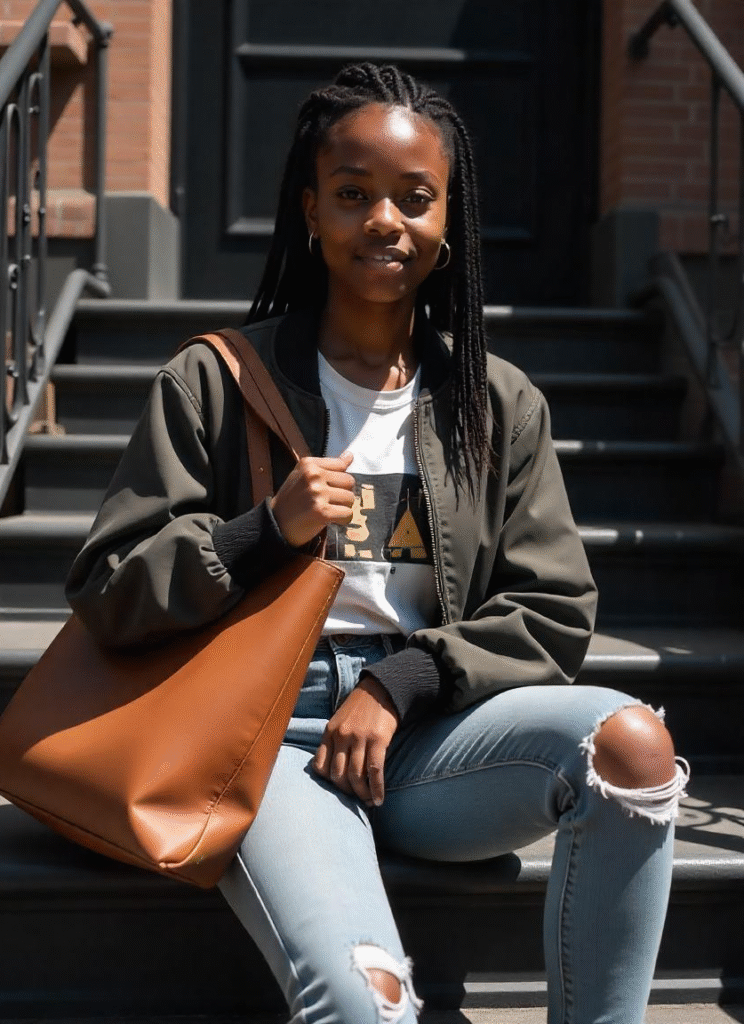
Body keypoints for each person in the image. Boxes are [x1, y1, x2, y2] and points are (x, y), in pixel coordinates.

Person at [66, 63, 690, 1024]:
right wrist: (261, 530)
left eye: (415, 198)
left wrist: (401, 683)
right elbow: (111, 585)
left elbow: (553, 606)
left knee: (632, 752)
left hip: (426, 735)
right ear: (310, 211)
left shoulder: (495, 402)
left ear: (449, 224)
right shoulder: (214, 380)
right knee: (369, 1005)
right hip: (264, 740)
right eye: (353, 195)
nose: (384, 221)